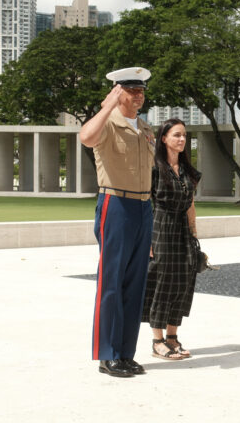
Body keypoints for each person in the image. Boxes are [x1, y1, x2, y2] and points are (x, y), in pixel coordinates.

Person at [79, 67, 155, 377]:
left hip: (143, 207)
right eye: (131, 90)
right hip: (116, 204)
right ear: (117, 92)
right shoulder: (107, 124)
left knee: (135, 284)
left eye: (141, 90)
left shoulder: (146, 129)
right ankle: (106, 354)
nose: (139, 95)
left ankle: (125, 353)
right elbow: (85, 137)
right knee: (111, 282)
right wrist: (107, 106)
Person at [142, 118, 201, 360]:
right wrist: (148, 239)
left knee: (183, 283)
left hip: (183, 231)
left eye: (184, 135)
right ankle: (157, 340)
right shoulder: (154, 168)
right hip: (160, 227)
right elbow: (145, 204)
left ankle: (172, 337)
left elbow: (191, 205)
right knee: (161, 282)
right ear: (163, 138)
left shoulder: (187, 171)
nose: (182, 139)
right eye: (176, 135)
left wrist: (195, 234)